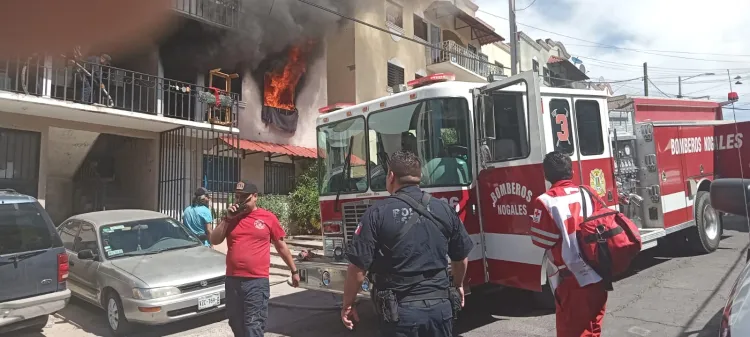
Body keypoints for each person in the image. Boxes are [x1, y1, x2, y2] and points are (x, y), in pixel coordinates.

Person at [340, 150, 474, 337]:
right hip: (440, 308)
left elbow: (357, 269)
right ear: (419, 177)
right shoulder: (444, 209)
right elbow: (461, 257)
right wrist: (458, 284)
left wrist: (348, 303)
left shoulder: (377, 213)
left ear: (391, 176)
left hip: (400, 313)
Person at [529, 151, 608, 337]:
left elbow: (541, 240)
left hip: (571, 278)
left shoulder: (545, 201)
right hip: (598, 273)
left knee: (572, 331)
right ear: (571, 172)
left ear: (546, 175)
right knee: (594, 329)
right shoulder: (588, 192)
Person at [208, 180, 300, 337]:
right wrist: (227, 218)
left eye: (244, 197)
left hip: (256, 282)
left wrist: (294, 270)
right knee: (235, 321)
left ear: (255, 196)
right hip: (233, 280)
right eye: (237, 197)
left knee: (253, 325)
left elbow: (281, 246)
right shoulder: (231, 219)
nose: (240, 201)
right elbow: (214, 240)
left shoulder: (268, 217)